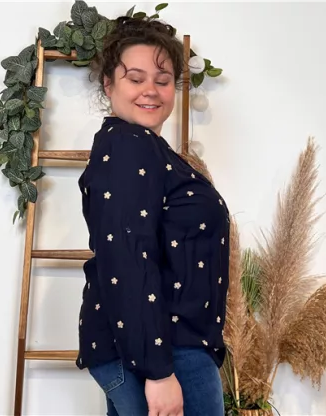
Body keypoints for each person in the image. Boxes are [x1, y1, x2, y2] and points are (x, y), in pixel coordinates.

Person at [76, 15, 230, 416]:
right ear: (109, 84)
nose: (151, 90)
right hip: (164, 352)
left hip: (160, 348)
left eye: (162, 80)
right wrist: (158, 373)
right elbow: (127, 257)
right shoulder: (129, 145)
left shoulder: (145, 148)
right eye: (135, 78)